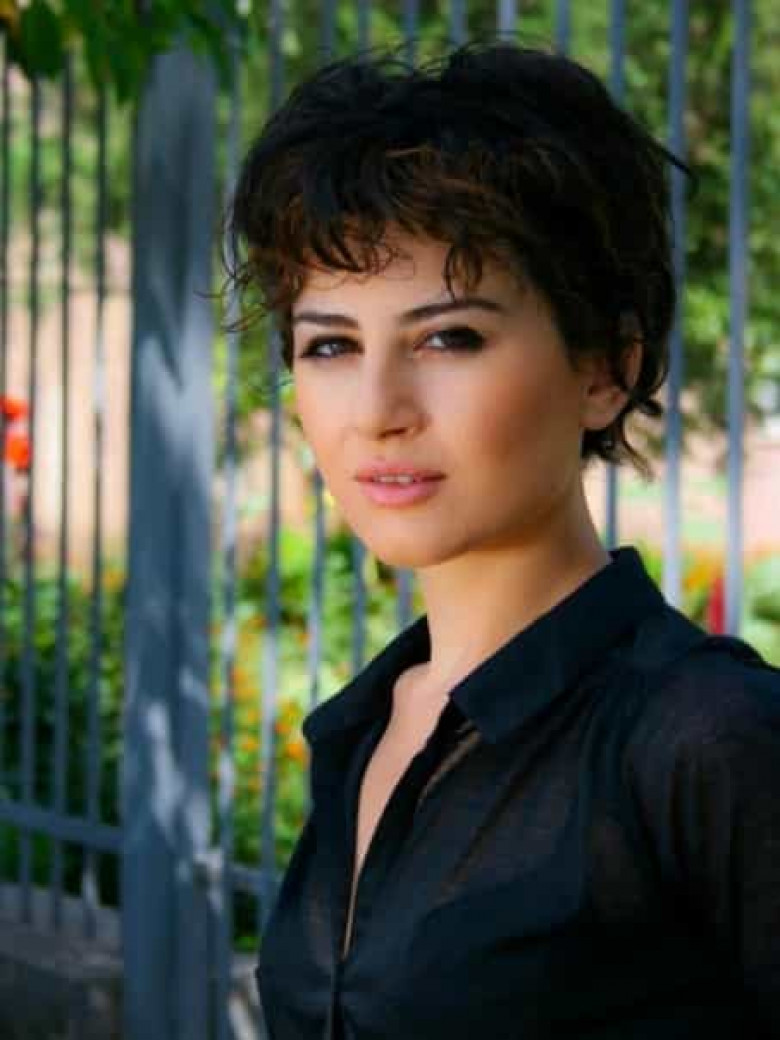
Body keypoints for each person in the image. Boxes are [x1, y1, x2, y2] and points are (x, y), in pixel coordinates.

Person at [226, 39, 780, 1040]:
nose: (377, 411)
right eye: (331, 345)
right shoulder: (367, 728)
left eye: (449, 337)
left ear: (607, 369)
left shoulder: (706, 738)